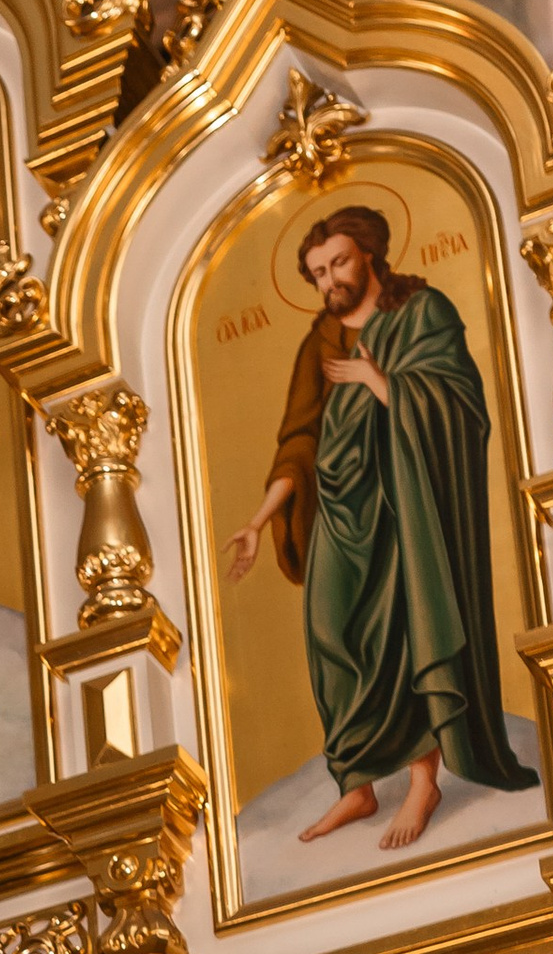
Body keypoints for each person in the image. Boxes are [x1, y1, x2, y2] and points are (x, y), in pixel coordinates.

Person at [225, 203, 534, 856]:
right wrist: (259, 521)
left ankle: (425, 780)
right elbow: (299, 438)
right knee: (330, 631)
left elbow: (460, 404)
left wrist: (380, 380)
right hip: (338, 510)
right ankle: (359, 783)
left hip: (405, 503)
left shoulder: (422, 313)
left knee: (405, 628)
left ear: (369, 255)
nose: (328, 280)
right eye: (315, 272)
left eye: (337, 263)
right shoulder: (319, 342)